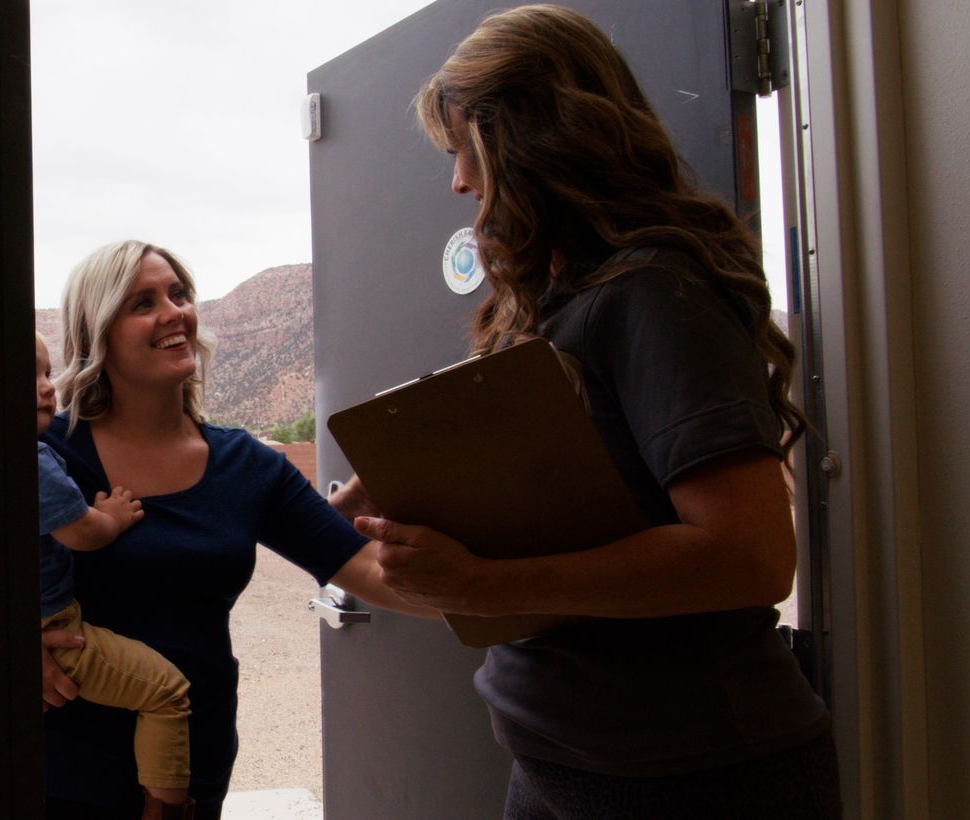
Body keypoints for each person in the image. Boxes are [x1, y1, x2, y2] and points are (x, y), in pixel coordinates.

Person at [332, 5, 840, 817]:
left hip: (692, 776)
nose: (459, 181)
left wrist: (485, 584)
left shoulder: (656, 291)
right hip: (556, 761)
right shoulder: (557, 303)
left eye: (467, 149)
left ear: (536, 140)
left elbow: (749, 557)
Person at [36, 240, 444, 819]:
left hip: (191, 769)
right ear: (96, 333)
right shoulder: (48, 455)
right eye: (142, 303)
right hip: (60, 767)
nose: (174, 312)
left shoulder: (246, 465)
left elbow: (370, 571)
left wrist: (509, 595)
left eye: (179, 294)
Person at [32, 330, 196, 818]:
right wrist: (114, 518)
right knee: (167, 691)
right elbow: (82, 533)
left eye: (46, 372)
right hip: (58, 631)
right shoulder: (35, 460)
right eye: (28, 376)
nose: (47, 386)